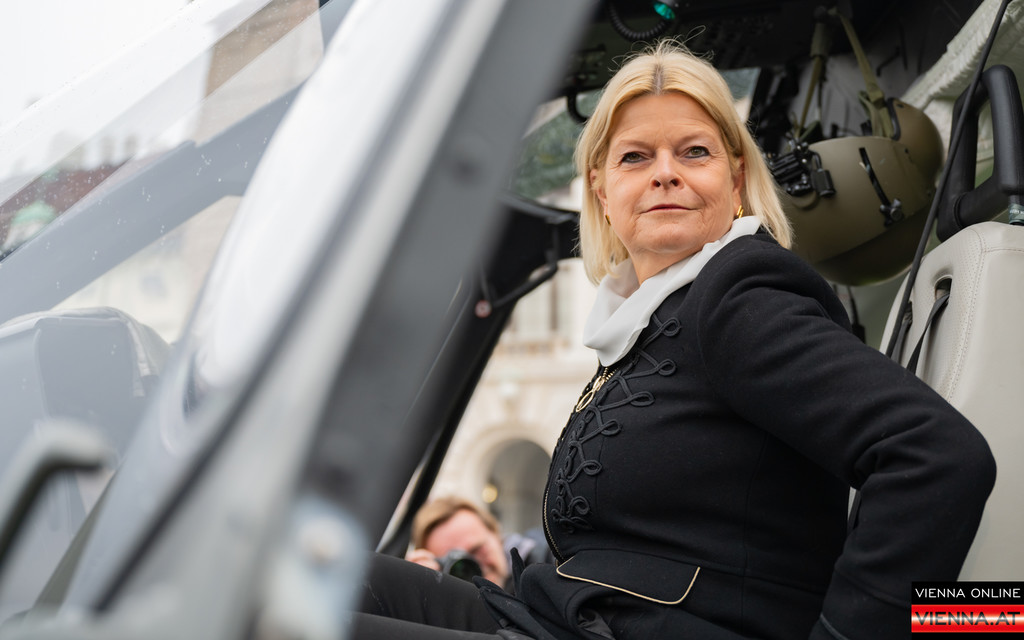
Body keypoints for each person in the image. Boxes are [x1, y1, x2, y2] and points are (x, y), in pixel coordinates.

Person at [352, 41, 995, 640]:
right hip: (560, 616)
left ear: (735, 180)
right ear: (602, 190)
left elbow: (935, 454)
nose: (665, 173)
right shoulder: (639, 322)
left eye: (694, 152)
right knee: (340, 582)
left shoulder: (736, 297)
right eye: (635, 157)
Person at [405, 496, 551, 591]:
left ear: (496, 534)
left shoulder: (547, 563)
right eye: (458, 564)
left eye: (478, 550)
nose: (475, 567)